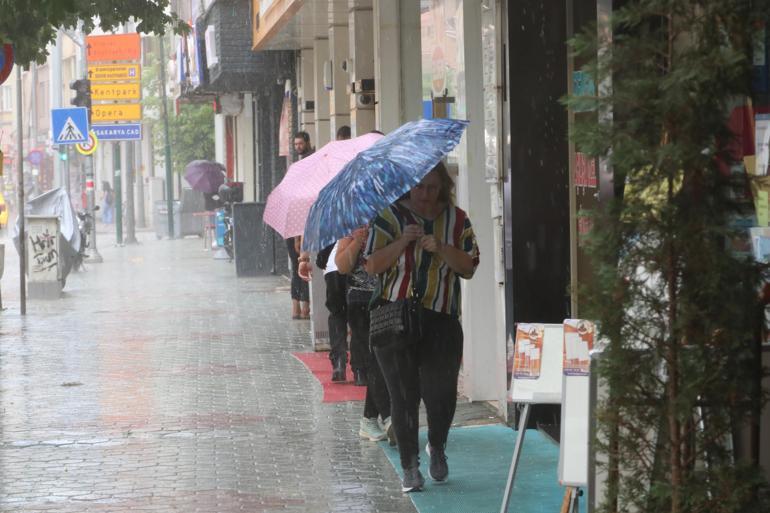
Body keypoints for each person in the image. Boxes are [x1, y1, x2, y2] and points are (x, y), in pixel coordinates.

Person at [364, 162, 479, 492]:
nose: (425, 195)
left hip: (441, 318)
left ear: (443, 187)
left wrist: (441, 248)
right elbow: (371, 265)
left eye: (432, 188)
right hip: (394, 318)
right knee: (403, 396)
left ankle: (437, 446)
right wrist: (402, 243)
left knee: (440, 394)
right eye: (419, 188)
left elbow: (469, 267)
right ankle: (410, 466)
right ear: (408, 187)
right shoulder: (388, 217)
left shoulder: (457, 220)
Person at [336, 225, 394, 443]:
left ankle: (370, 418)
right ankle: (387, 417)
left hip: (389, 296)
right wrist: (357, 241)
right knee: (373, 360)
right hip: (360, 300)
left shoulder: (391, 223)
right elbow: (342, 267)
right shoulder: (353, 227)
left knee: (383, 359)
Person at [287, 131, 314, 319]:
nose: (298, 147)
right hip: (294, 224)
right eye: (295, 144)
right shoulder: (295, 165)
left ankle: (303, 306)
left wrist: (299, 236)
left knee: (303, 266)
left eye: (300, 144)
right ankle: (298, 306)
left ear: (307, 143)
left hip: (303, 224)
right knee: (299, 266)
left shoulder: (310, 163)